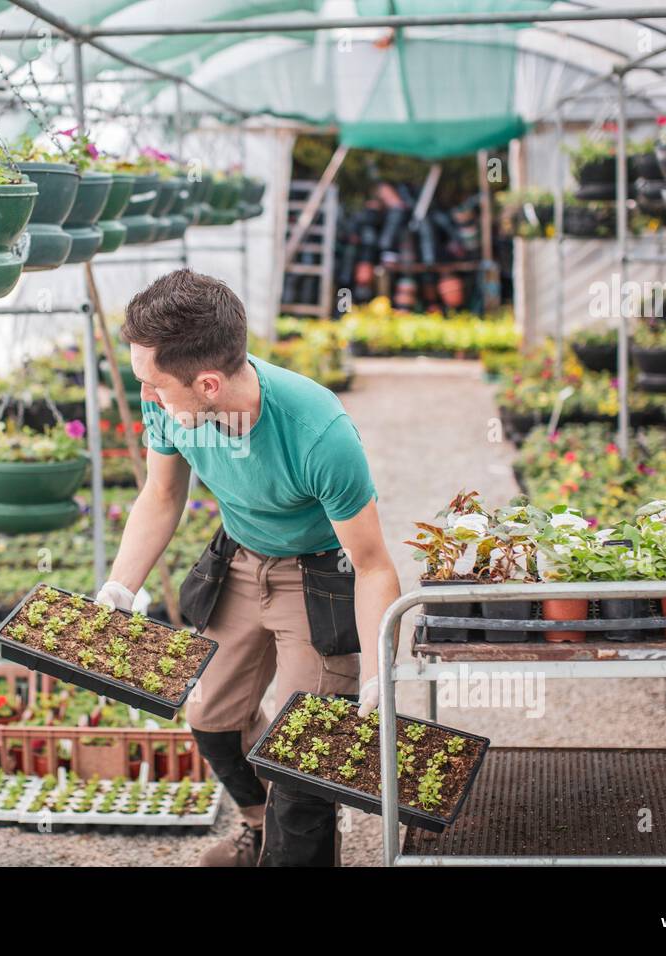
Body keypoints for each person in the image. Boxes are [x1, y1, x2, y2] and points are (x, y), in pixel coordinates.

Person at [94, 268, 401, 867]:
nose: (145, 396)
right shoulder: (167, 398)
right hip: (237, 560)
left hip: (315, 575)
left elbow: (373, 565)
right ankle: (260, 828)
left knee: (304, 754)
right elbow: (161, 496)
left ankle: (297, 846)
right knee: (212, 718)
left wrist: (376, 671)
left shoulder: (318, 433)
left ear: (207, 383)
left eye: (153, 385)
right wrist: (118, 587)